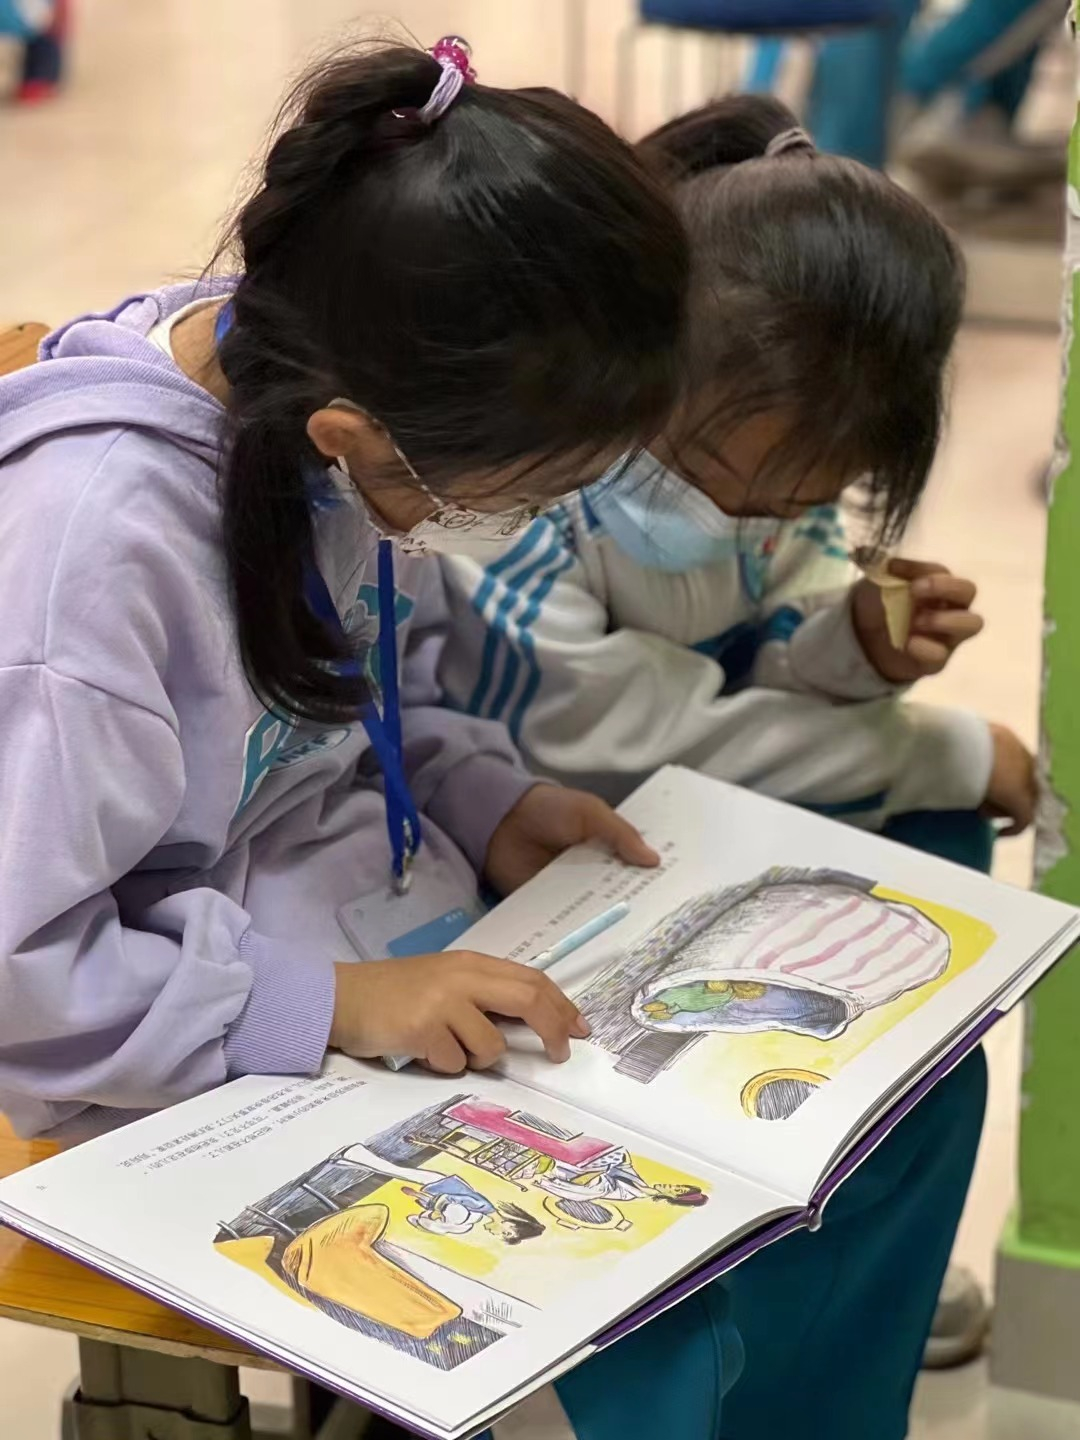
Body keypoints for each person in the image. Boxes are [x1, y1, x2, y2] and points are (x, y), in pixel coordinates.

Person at [441, 95, 1016, 1437]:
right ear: (639, 360)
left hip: (664, 821)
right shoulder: (521, 484)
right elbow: (618, 746)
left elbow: (765, 626)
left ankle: (840, 1283)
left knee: (929, 1059)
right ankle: (773, 1298)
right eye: (732, 478)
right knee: (924, 815)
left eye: (809, 493)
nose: (761, 517)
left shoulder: (761, 435)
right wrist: (928, 743)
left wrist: (850, 647)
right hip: (530, 843)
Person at [0, 36, 688, 1140]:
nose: (522, 524)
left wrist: (484, 800)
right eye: (519, 497)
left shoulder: (344, 384)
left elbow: (374, 695)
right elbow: (22, 970)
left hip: (364, 933)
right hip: (166, 1052)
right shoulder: (89, 557)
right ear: (350, 440)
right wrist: (328, 1005)